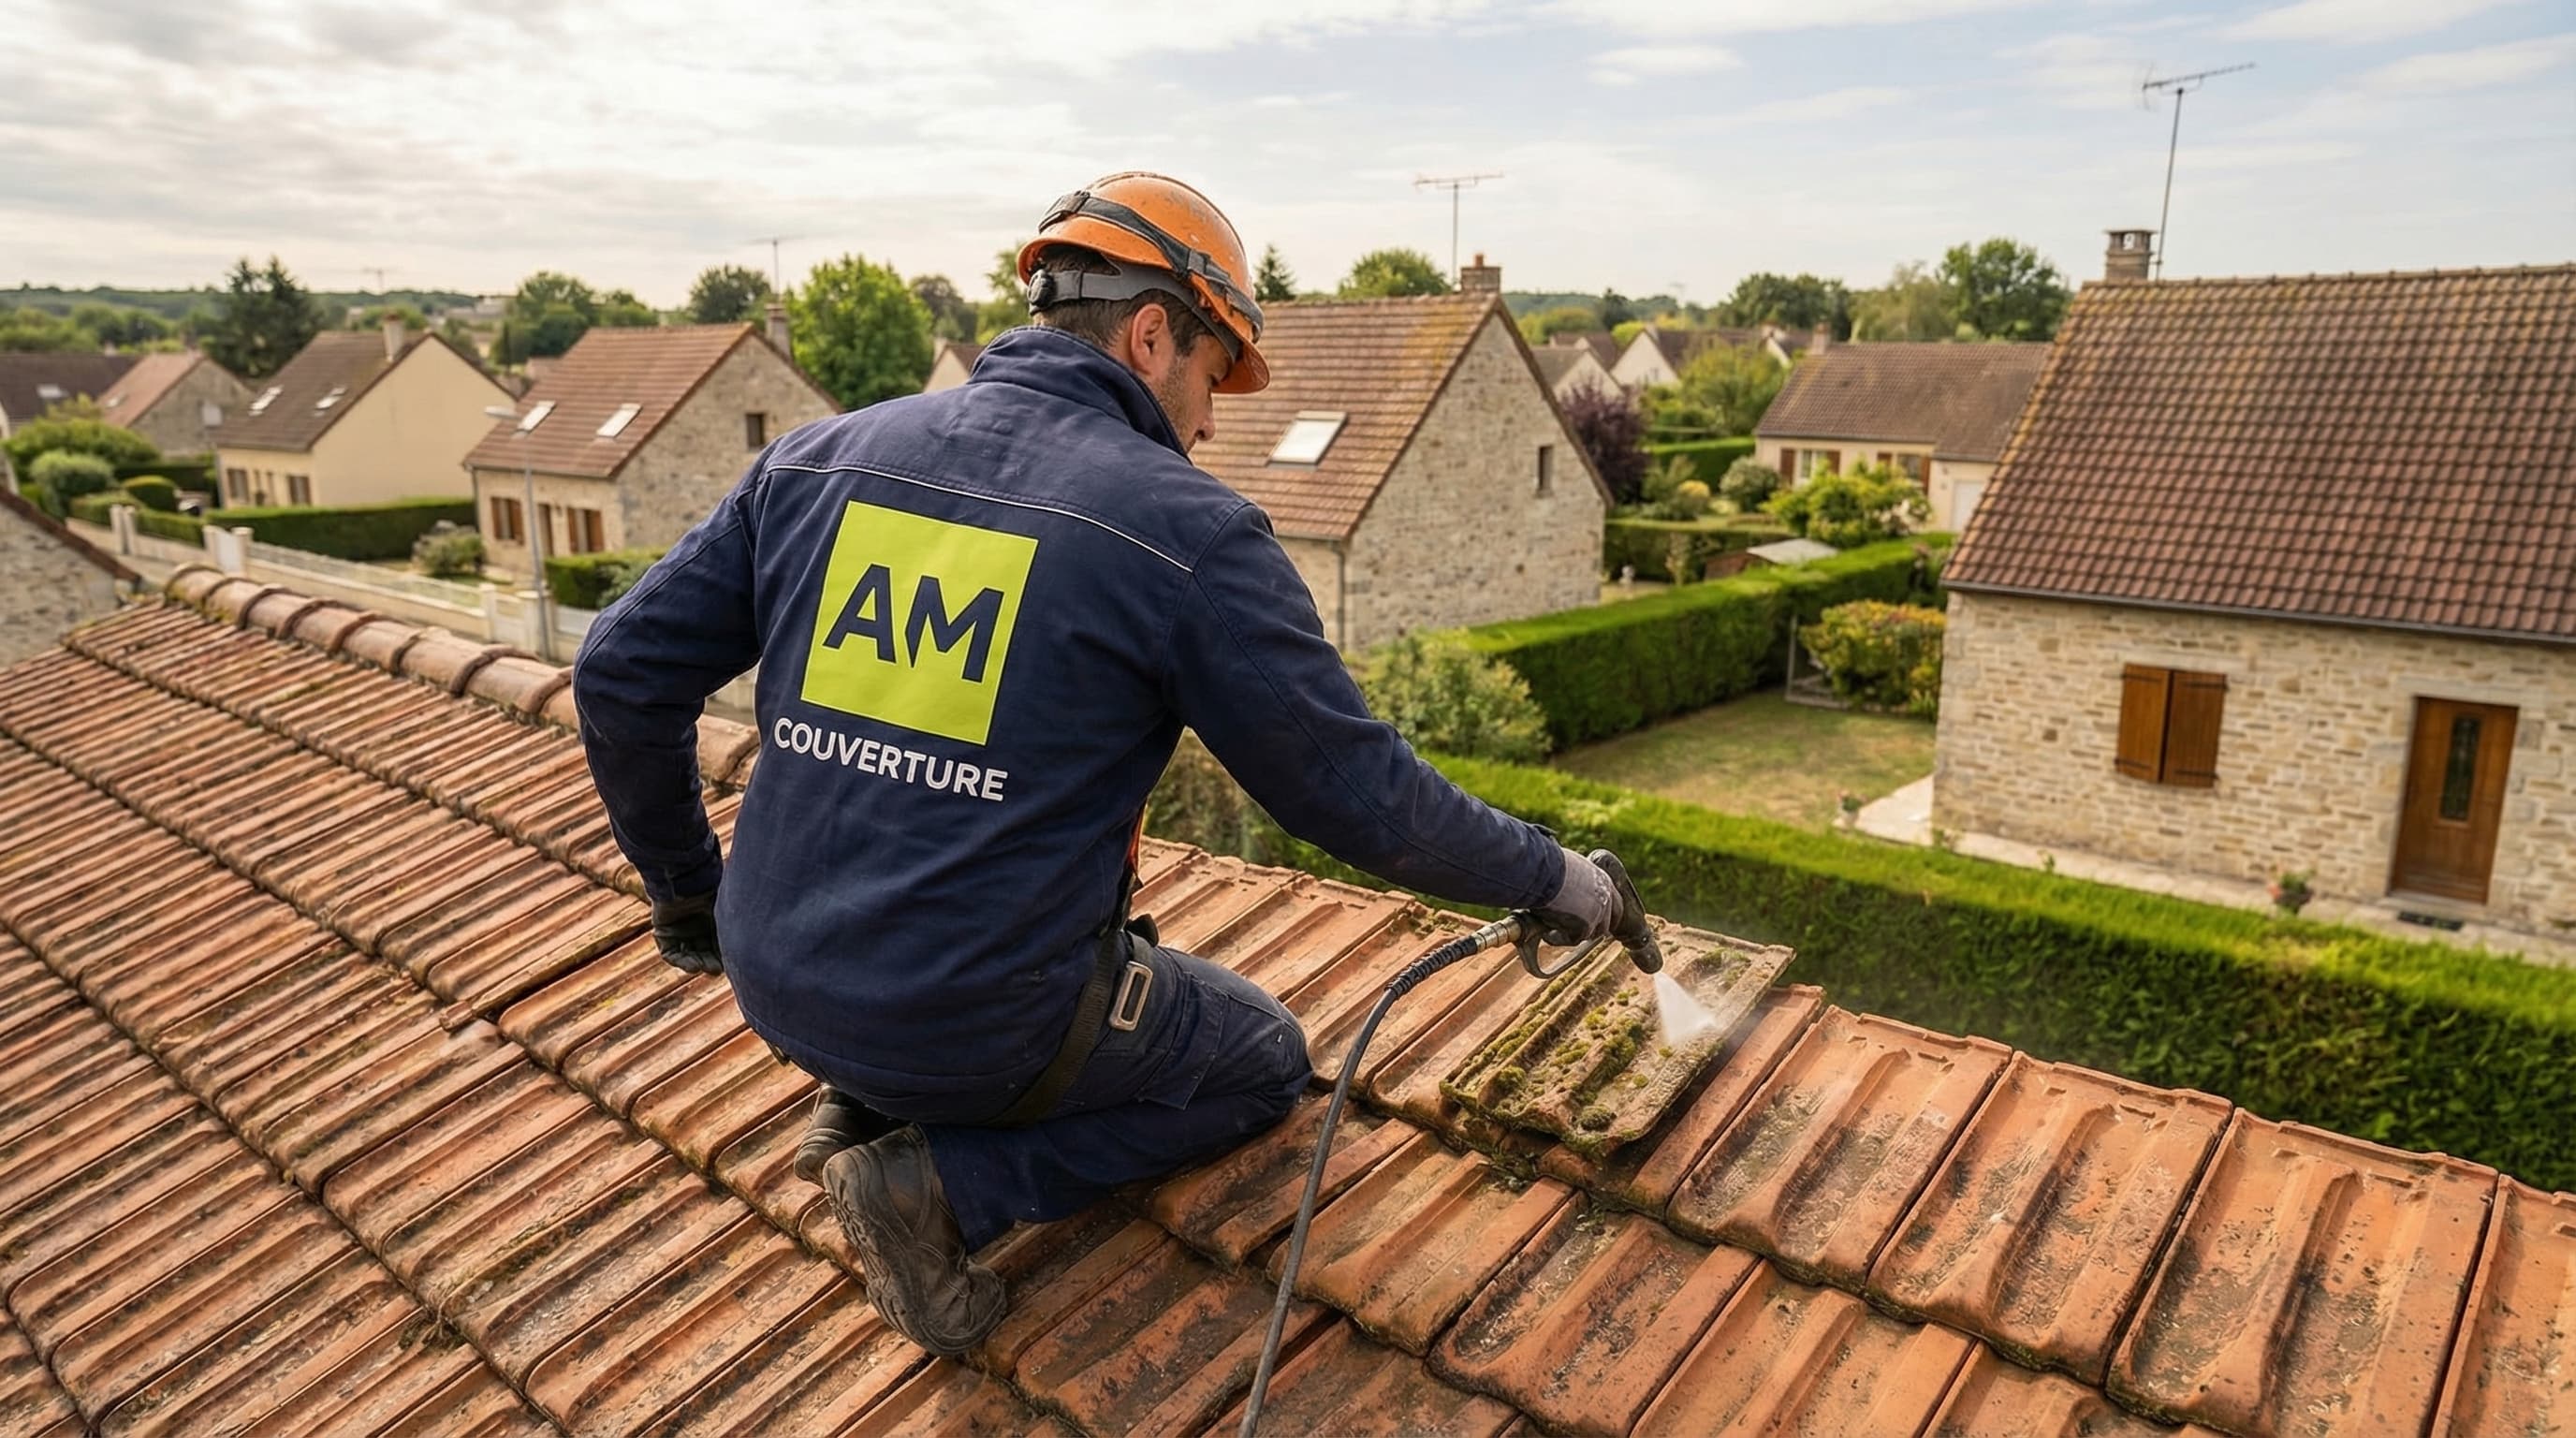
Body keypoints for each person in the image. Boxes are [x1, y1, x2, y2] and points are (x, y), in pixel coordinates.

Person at [572, 171, 1627, 1356]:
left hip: (774, 982)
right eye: (1214, 377)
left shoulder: (819, 459)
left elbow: (617, 674)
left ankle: (866, 1102)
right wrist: (1554, 878)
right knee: (1261, 1061)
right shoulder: (1182, 531)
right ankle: (940, 1189)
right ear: (1150, 336)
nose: (1211, 423)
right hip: (978, 1027)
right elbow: (1355, 794)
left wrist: (689, 897)